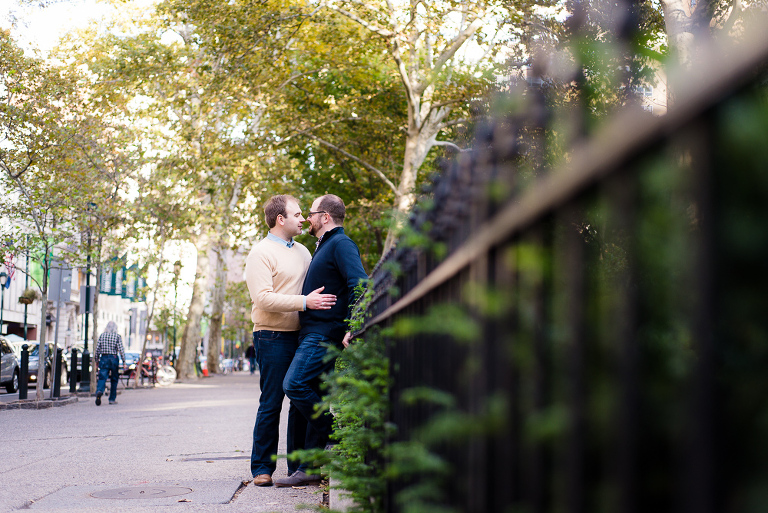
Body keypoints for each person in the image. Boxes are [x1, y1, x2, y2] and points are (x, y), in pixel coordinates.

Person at [275, 194, 368, 487]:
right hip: (314, 333)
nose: (307, 219)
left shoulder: (341, 244)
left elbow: (360, 284)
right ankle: (307, 467)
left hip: (323, 335)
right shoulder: (325, 246)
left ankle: (335, 436)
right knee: (307, 398)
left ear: (325, 216)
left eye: (311, 213)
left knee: (294, 384)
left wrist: (354, 327)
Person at [245, 194, 337, 487]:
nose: (303, 219)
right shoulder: (260, 252)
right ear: (279, 219)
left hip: (303, 335)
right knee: (272, 402)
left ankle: (299, 467)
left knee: (299, 404)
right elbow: (262, 298)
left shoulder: (304, 252)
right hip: (271, 335)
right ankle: (261, 467)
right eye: (297, 214)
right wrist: (305, 303)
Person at [94, 321, 126, 406]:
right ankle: (112, 399)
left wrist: (96, 360)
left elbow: (97, 349)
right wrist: (124, 361)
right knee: (114, 379)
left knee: (102, 377)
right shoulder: (117, 336)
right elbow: (121, 349)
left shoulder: (102, 335)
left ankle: (99, 391)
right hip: (114, 358)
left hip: (104, 358)